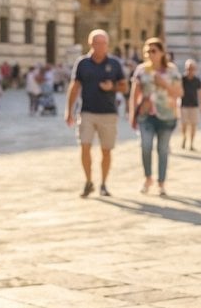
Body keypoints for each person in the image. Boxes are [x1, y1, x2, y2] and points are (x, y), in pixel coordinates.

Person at [65, 29, 127, 198]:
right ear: (90, 44)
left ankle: (104, 183)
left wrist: (112, 87)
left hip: (108, 112)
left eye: (103, 43)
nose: (100, 46)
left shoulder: (114, 64)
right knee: (84, 146)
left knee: (106, 150)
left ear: (107, 45)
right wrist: (68, 110)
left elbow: (124, 86)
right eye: (97, 43)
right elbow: (75, 86)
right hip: (87, 111)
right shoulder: (82, 63)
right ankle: (88, 181)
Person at [129, 39, 181, 197]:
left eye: (154, 51)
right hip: (146, 115)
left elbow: (179, 93)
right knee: (145, 146)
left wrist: (164, 83)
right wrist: (132, 114)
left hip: (167, 115)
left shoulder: (172, 71)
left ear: (161, 52)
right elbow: (134, 94)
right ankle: (148, 178)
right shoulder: (141, 70)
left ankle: (161, 182)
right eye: (148, 51)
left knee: (163, 150)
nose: (150, 54)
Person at [179, 59, 201, 151]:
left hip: (194, 105)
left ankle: (191, 144)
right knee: (184, 125)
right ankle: (184, 138)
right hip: (184, 105)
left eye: (192, 68)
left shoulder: (197, 80)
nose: (190, 70)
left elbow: (200, 92)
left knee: (193, 125)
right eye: (188, 68)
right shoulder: (182, 79)